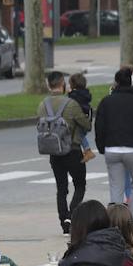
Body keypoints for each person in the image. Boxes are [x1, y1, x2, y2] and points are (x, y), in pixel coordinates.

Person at [40, 71, 92, 234]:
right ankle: (72, 214)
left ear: (49, 85)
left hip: (54, 152)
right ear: (63, 84)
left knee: (61, 188)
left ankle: (64, 221)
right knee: (80, 185)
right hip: (73, 150)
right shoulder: (71, 104)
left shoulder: (43, 105)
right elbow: (86, 125)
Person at [95, 66, 133, 209]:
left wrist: (102, 147)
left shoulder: (106, 102)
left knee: (116, 186)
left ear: (116, 82)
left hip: (112, 148)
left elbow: (99, 126)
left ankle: (116, 220)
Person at [67, 72, 96, 163]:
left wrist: (69, 93)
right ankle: (87, 151)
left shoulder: (75, 95)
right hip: (87, 119)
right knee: (81, 134)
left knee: (79, 133)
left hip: (80, 121)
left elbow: (71, 103)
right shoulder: (85, 94)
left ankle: (88, 151)